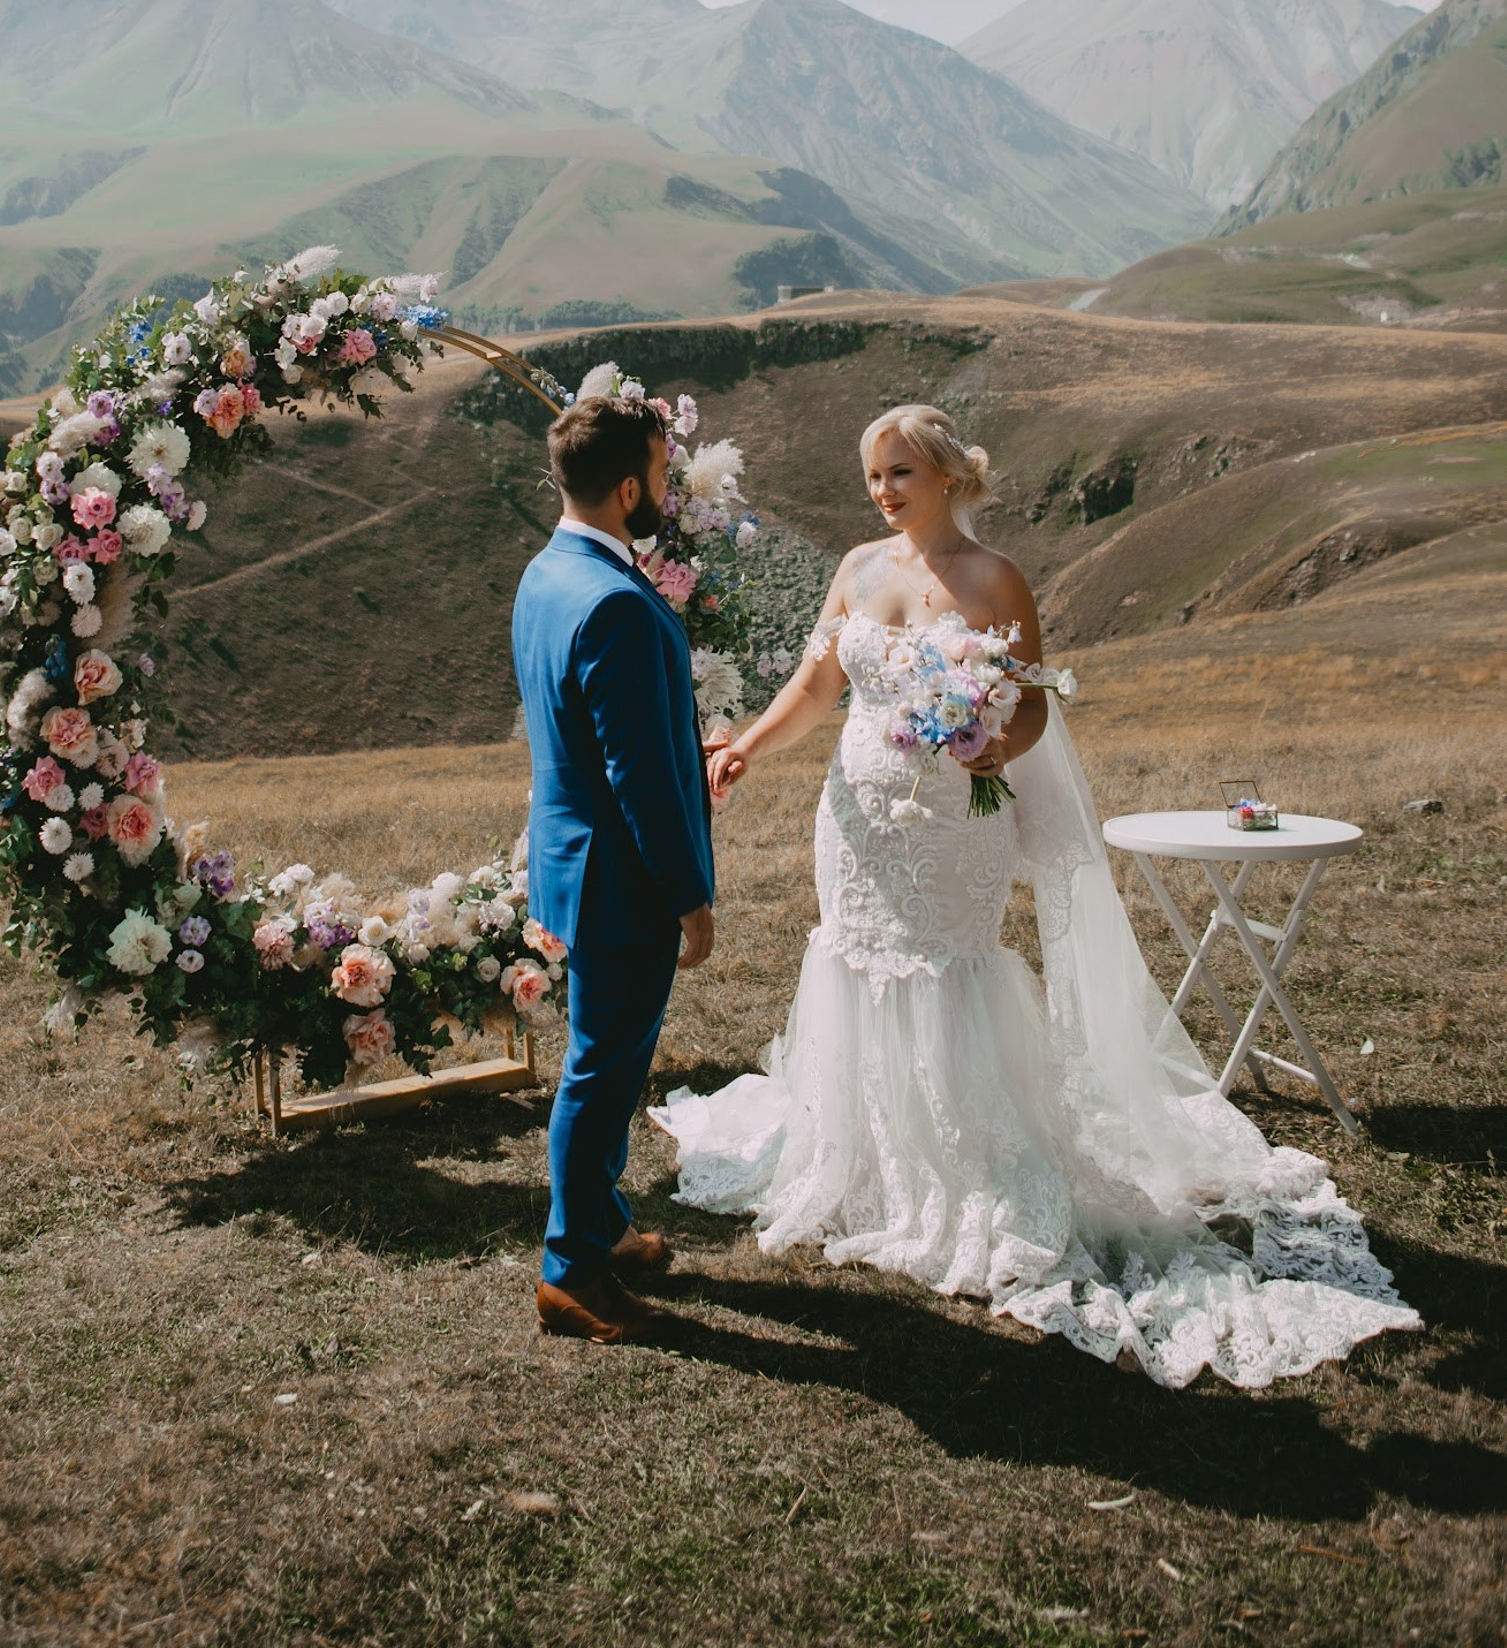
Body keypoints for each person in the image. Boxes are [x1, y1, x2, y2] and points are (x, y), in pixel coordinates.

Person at [653, 402, 1417, 1389]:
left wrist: (985, 746)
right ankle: (862, 1155)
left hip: (954, 825)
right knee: (853, 956)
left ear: (946, 476)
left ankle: (972, 1169)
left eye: (900, 473)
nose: (883, 492)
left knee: (950, 971)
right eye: (873, 475)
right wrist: (748, 749)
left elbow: (1030, 712)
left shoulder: (995, 578)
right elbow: (816, 687)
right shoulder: (857, 569)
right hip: (854, 825)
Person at [513, 390, 715, 1342]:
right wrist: (689, 895)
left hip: (571, 856)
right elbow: (638, 779)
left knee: (604, 1058)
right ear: (629, 488)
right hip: (622, 878)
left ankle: (606, 1223)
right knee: (602, 1073)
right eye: (664, 476)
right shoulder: (618, 604)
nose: (667, 492)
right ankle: (571, 1272)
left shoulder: (546, 573)